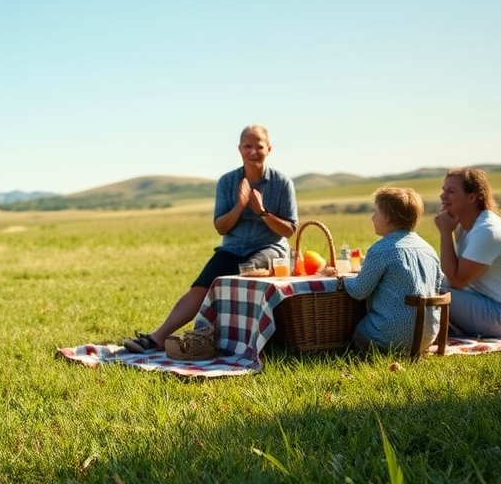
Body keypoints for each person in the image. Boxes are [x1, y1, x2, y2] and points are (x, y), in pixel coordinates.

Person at [123, 124, 297, 353]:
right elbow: (221, 227)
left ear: (269, 149)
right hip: (233, 248)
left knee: (245, 271)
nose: (253, 152)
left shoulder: (282, 183)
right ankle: (155, 339)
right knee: (200, 287)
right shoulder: (227, 182)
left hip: (269, 247)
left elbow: (289, 230)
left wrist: (262, 211)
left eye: (259, 146)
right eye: (248, 146)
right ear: (240, 149)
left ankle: (232, 340)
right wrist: (240, 206)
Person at [334, 187, 443, 352]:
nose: (372, 218)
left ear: (388, 218)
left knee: (358, 330)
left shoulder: (381, 250)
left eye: (375, 212)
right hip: (425, 337)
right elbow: (437, 285)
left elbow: (359, 291)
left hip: (390, 338)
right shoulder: (428, 249)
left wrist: (341, 279)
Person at [434, 168, 501, 338]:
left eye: (451, 191)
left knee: (431, 293)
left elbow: (456, 281)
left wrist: (445, 232)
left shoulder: (487, 230)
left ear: (472, 197)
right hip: (482, 302)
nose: (443, 196)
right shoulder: (464, 224)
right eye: (443, 190)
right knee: (427, 284)